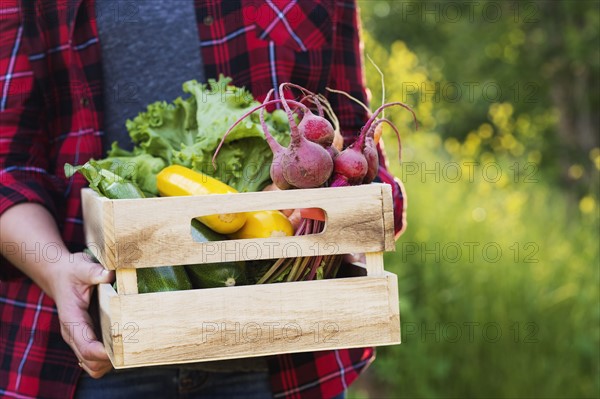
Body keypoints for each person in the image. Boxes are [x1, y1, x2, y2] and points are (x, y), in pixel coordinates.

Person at [0, 1, 407, 398]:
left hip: (288, 349)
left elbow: (354, 136)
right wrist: (55, 270)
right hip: (101, 349)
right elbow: (8, 166)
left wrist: (346, 204)